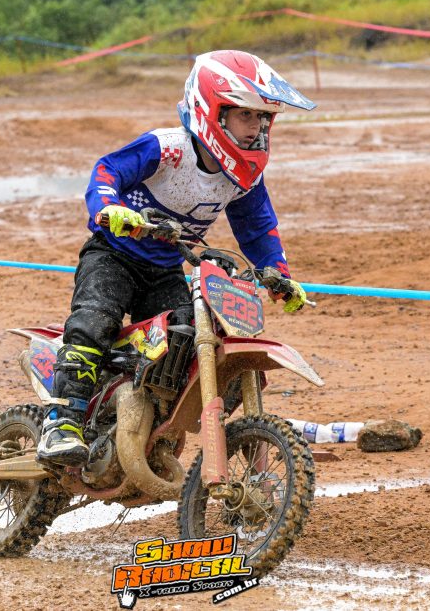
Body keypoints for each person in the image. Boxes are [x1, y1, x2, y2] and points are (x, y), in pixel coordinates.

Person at [37, 49, 317, 467]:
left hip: (166, 266)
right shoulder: (167, 148)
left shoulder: (243, 175)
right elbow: (107, 170)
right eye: (247, 116)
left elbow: (257, 228)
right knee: (94, 320)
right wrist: (110, 207)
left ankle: (146, 424)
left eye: (264, 118)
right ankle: (61, 422)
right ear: (213, 111)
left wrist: (278, 275)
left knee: (187, 338)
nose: (257, 127)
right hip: (114, 254)